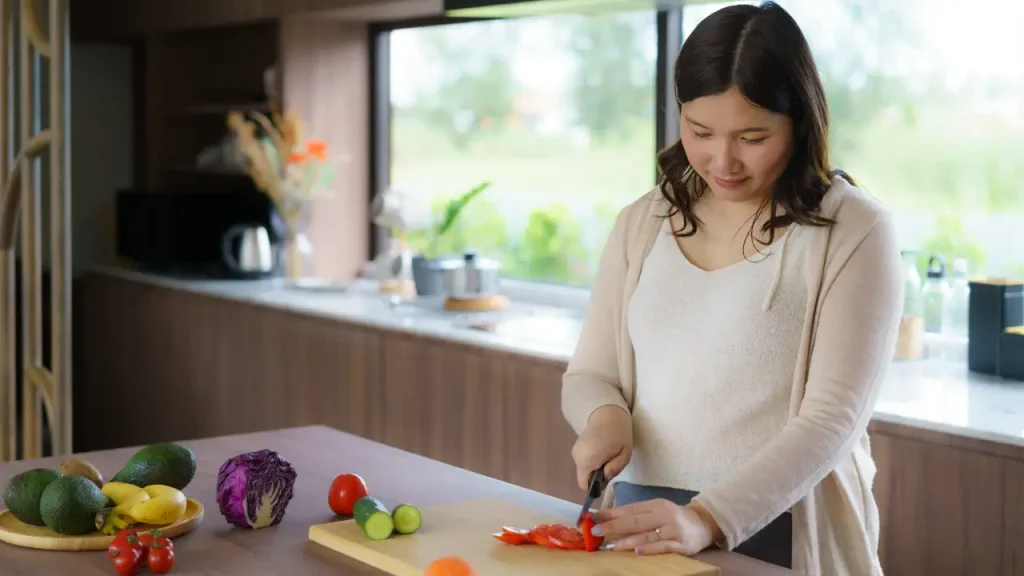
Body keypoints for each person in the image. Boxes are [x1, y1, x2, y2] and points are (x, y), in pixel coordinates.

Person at [561, 2, 903, 575]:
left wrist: (707, 517)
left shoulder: (854, 228)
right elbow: (590, 373)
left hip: (783, 526)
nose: (723, 160)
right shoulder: (642, 223)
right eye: (700, 131)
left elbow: (831, 421)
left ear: (800, 121)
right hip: (650, 526)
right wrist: (603, 416)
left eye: (751, 137)